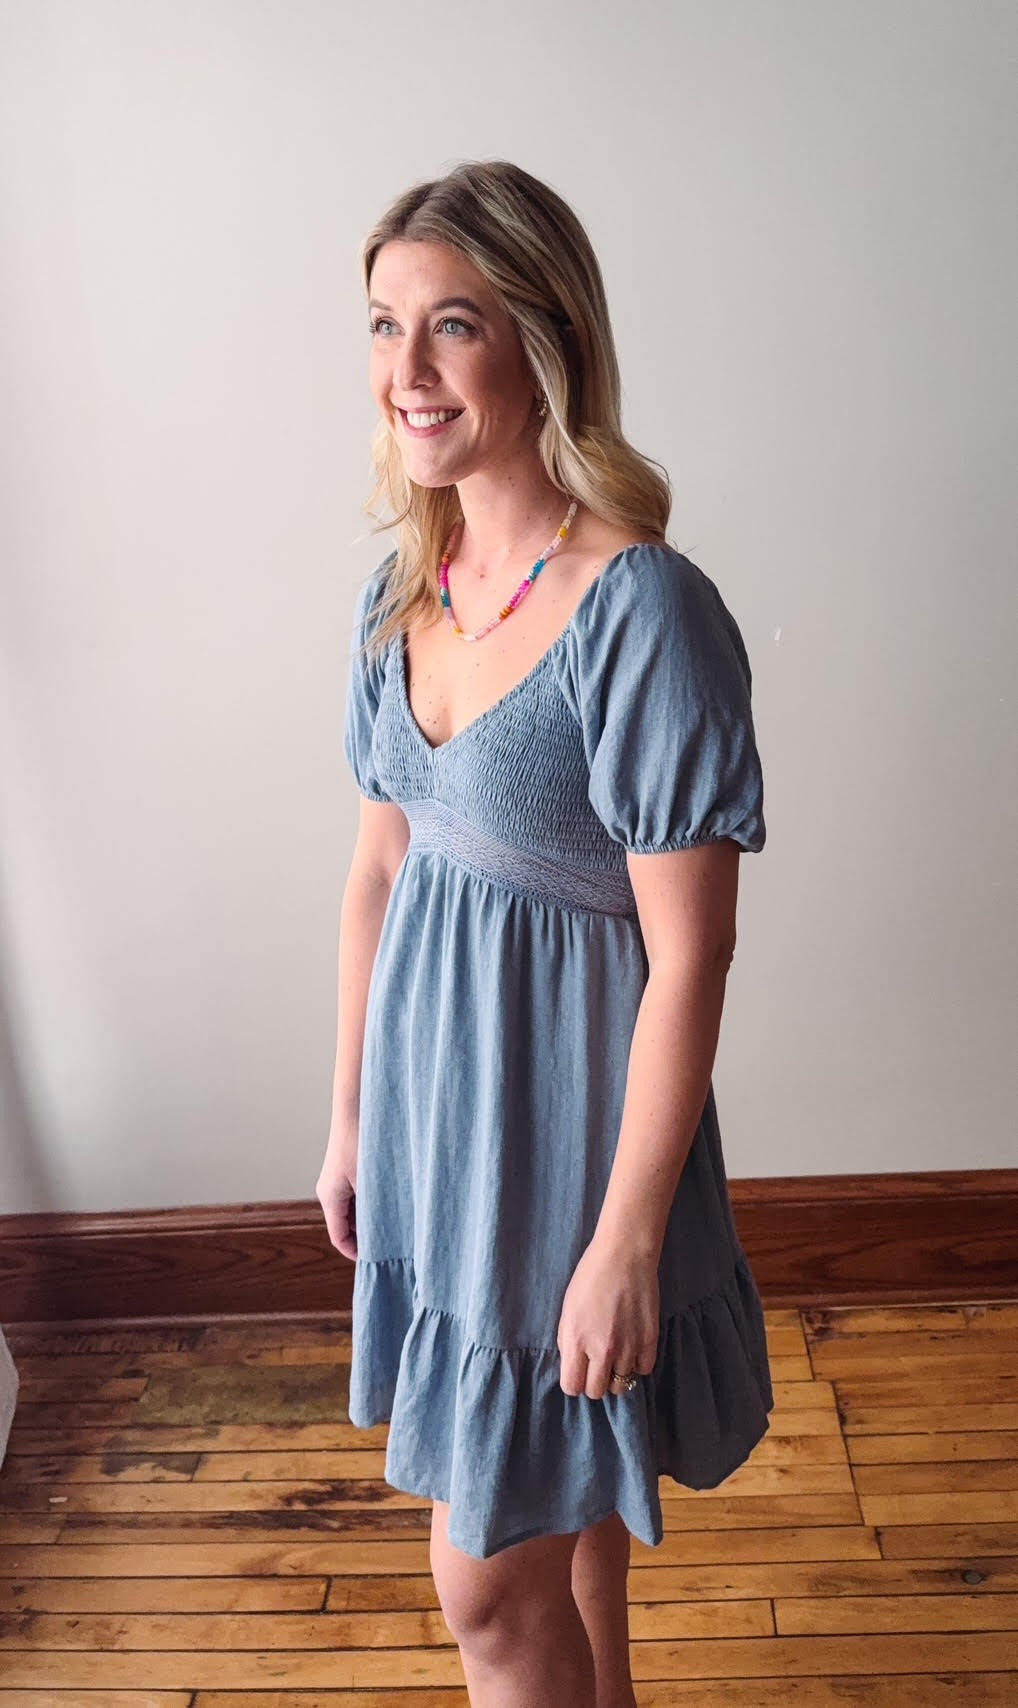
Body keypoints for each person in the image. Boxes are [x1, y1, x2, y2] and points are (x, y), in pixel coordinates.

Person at [316, 158, 774, 1708]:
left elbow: (691, 955)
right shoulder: (406, 594)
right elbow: (376, 876)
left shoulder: (641, 610)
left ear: (543, 340)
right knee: (570, 1544)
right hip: (443, 1137)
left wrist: (627, 1238)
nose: (408, 372)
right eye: (385, 326)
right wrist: (351, 1120)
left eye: (454, 325)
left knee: (488, 1596)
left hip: (569, 1154)